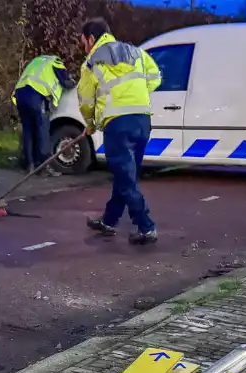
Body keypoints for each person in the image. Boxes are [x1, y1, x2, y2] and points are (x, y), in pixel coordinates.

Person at [77, 18, 162, 245]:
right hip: (142, 120)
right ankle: (109, 220)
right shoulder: (136, 52)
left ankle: (146, 227)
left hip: (118, 124)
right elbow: (155, 77)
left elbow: (86, 100)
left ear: (91, 39)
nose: (84, 47)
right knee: (126, 176)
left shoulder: (92, 62)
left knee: (126, 179)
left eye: (83, 41)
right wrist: (137, 95)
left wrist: (91, 123)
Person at [13, 55, 76, 176]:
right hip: (36, 96)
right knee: (42, 131)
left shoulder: (37, 61)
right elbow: (66, 83)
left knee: (28, 131)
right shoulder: (56, 62)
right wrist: (73, 82)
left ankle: (29, 165)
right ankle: (44, 167)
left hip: (20, 95)